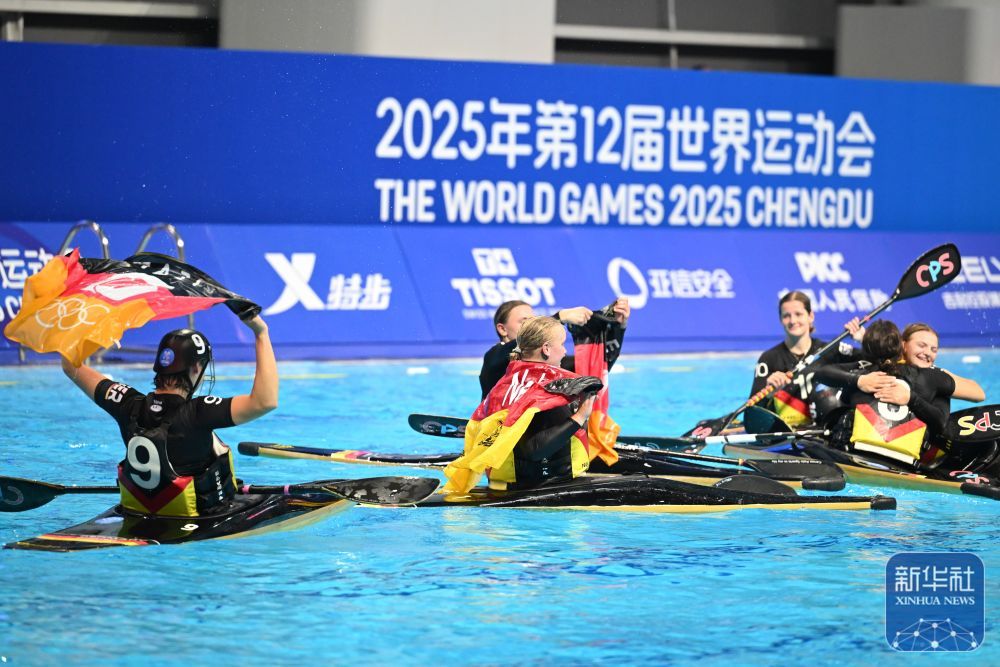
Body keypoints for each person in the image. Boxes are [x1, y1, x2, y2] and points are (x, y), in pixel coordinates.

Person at [61, 315, 277, 517]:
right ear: (196, 368)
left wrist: (94, 321)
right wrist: (261, 332)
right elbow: (265, 402)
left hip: (138, 513)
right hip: (201, 516)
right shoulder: (199, 412)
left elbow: (70, 366)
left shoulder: (127, 403)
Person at [445, 316, 602, 494]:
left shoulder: (507, 382)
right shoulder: (545, 389)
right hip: (544, 484)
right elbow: (533, 450)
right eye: (562, 344)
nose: (565, 351)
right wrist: (580, 416)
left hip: (504, 481)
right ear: (546, 349)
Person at [813, 320, 955, 468]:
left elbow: (821, 373)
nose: (927, 353)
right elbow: (941, 423)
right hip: (905, 464)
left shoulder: (866, 370)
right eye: (922, 345)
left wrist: (858, 380)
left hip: (855, 455)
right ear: (903, 345)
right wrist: (913, 400)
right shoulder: (937, 378)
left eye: (934, 349)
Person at [749, 291, 862, 427]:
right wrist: (769, 394)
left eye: (798, 314)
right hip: (788, 431)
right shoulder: (768, 359)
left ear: (810, 316)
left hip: (827, 429)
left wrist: (863, 340)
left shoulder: (832, 351)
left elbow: (877, 362)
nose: (792, 321)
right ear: (780, 320)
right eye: (786, 316)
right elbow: (751, 414)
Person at [479, 298, 630, 399]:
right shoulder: (494, 358)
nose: (531, 326)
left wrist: (618, 327)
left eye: (534, 321)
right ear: (502, 329)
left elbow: (596, 367)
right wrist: (559, 317)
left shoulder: (547, 363)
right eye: (524, 322)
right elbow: (509, 351)